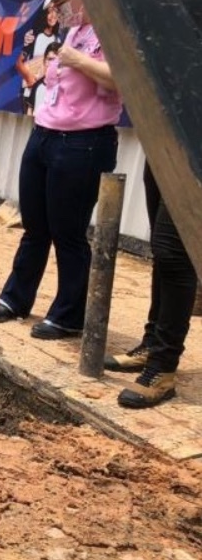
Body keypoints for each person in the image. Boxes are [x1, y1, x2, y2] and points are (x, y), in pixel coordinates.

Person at [0, 0, 122, 340]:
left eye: (63, 3)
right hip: (45, 135)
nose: (61, 13)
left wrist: (76, 59)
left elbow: (120, 81)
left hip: (83, 144)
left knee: (68, 231)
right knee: (36, 225)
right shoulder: (73, 33)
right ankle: (16, 298)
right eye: (57, 7)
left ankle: (68, 314)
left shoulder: (111, 30)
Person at [105, 163, 198, 408]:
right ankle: (152, 345)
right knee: (162, 251)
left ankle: (163, 368)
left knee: (174, 255)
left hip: (193, 150)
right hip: (164, 143)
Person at [16, 5, 62, 116]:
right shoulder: (34, 36)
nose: (52, 16)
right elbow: (19, 63)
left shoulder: (58, 40)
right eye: (49, 12)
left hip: (47, 91)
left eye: (56, 12)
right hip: (30, 91)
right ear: (44, 14)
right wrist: (29, 78)